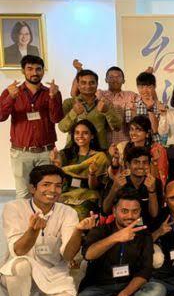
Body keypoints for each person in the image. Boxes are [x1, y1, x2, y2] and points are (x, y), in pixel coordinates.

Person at [0, 165, 89, 296]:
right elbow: (18, 251)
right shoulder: (13, 208)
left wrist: (78, 232)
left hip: (52, 270)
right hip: (21, 267)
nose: (52, 190)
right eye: (46, 185)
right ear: (33, 188)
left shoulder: (68, 212)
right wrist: (32, 232)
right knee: (21, 266)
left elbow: (68, 255)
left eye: (58, 186)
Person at [66, 190, 170, 296]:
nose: (130, 216)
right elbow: (88, 255)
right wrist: (115, 237)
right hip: (98, 288)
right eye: (124, 211)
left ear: (140, 212)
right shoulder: (100, 230)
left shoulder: (144, 235)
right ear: (114, 211)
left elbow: (145, 271)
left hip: (129, 288)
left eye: (135, 211)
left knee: (158, 290)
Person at [0, 55, 62, 198]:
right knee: (24, 194)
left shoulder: (51, 92)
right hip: (21, 153)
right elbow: (1, 117)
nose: (34, 72)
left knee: (47, 193)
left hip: (46, 152)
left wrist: (53, 97)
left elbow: (57, 118)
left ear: (43, 71)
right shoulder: (11, 92)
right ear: (23, 71)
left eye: (38, 69)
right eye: (30, 69)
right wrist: (11, 98)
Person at [50, 119, 110, 220]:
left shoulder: (99, 157)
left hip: (88, 196)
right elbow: (58, 181)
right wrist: (57, 166)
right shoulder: (65, 155)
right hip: (65, 195)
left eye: (85, 133)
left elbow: (95, 187)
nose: (80, 136)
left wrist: (91, 173)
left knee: (74, 216)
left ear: (92, 136)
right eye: (77, 133)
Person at [59, 69, 122, 151]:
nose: (88, 86)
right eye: (83, 83)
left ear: (97, 84)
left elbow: (117, 127)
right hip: (73, 152)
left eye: (92, 83)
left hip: (99, 151)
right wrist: (74, 113)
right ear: (78, 85)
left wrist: (107, 111)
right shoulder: (69, 103)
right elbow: (62, 128)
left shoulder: (105, 103)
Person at [102, 146, 163, 230]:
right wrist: (115, 188)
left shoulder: (155, 182)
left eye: (145, 162)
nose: (141, 166)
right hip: (122, 228)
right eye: (136, 162)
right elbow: (105, 210)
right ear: (128, 164)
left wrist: (152, 191)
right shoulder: (118, 182)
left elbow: (154, 214)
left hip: (145, 228)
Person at [111, 115, 168, 186]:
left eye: (138, 130)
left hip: (149, 187)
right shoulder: (123, 147)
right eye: (132, 129)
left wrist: (154, 162)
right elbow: (115, 176)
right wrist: (115, 159)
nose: (133, 133)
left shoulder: (157, 149)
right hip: (127, 187)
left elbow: (161, 179)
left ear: (147, 134)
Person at [95, 65, 138, 145]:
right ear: (106, 80)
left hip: (126, 143)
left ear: (123, 80)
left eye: (118, 77)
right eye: (111, 77)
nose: (115, 79)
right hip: (104, 144)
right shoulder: (100, 94)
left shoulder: (131, 95)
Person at [125, 70, 162, 143]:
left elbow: (155, 130)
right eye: (141, 87)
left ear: (154, 87)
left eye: (148, 87)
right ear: (137, 87)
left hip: (156, 144)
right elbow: (132, 131)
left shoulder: (161, 107)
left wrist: (150, 109)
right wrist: (134, 114)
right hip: (138, 145)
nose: (145, 90)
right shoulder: (132, 106)